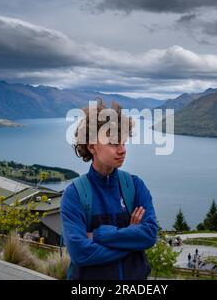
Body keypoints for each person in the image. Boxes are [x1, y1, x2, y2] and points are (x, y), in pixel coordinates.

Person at [61, 99, 158, 280]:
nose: (122, 150)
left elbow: (150, 235)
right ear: (92, 147)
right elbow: (80, 253)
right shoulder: (74, 195)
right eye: (114, 143)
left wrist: (100, 234)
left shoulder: (135, 186)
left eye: (123, 142)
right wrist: (130, 238)